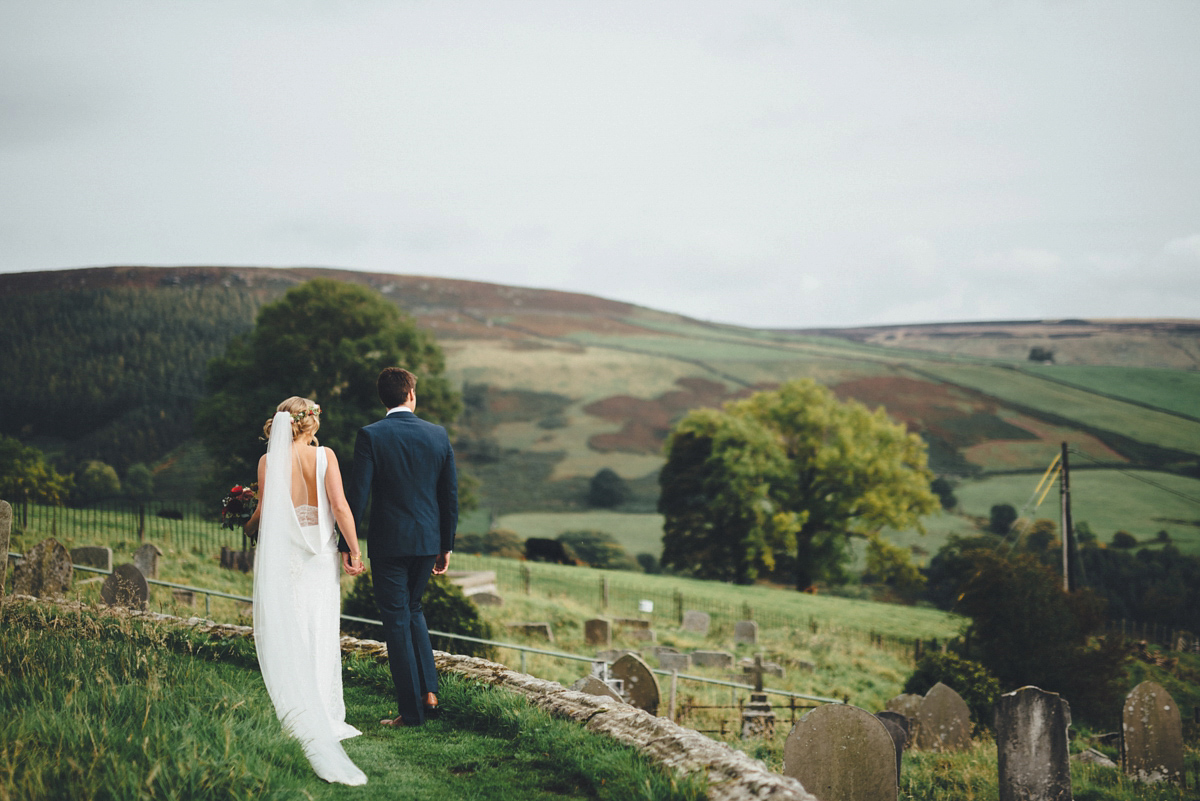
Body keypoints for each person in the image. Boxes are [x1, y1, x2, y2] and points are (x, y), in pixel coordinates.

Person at [244, 397, 368, 786]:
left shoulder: (268, 461)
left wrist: (245, 525)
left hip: (288, 555)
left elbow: (264, 514)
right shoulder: (326, 456)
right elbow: (340, 506)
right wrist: (354, 549)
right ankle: (323, 712)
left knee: (291, 627)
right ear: (310, 422)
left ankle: (299, 710)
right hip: (319, 557)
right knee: (320, 627)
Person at [348, 367, 458, 728]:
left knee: (396, 620)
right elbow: (449, 496)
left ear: (383, 399)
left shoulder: (370, 435)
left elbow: (358, 496)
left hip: (389, 543)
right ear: (410, 394)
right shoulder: (438, 435)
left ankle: (410, 714)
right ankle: (429, 691)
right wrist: (446, 545)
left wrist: (347, 544)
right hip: (427, 541)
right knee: (413, 610)